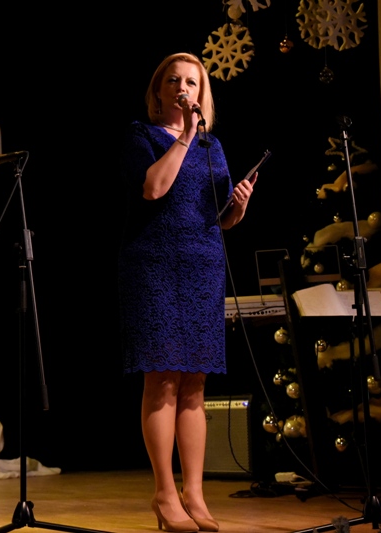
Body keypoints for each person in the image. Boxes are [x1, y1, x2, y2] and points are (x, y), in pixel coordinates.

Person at [118, 52, 255, 533]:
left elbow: (219, 217)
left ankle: (195, 494)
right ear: (159, 91)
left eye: (192, 82)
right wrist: (185, 138)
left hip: (203, 265)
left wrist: (238, 208)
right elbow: (154, 188)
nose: (183, 88)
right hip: (154, 264)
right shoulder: (141, 136)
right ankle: (164, 493)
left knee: (195, 383)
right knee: (162, 379)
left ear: (202, 93)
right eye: (173, 81)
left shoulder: (213, 146)